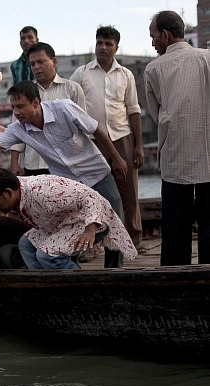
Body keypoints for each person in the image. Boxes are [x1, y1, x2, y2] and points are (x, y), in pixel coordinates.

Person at [0, 80, 129, 268]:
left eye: (20, 106)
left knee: (112, 219)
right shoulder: (19, 128)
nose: (16, 112)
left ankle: (114, 270)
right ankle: (68, 271)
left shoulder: (64, 108)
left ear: (35, 103)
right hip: (67, 184)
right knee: (66, 228)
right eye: (13, 107)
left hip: (95, 172)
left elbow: (96, 129)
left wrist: (116, 157)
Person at [0, 168, 136, 270]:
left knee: (46, 255)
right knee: (26, 244)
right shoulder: (8, 197)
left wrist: (91, 229)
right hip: (60, 224)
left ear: (8, 193)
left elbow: (90, 197)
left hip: (90, 220)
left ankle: (79, 282)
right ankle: (45, 284)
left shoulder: (43, 191)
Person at [144, 10, 210, 266]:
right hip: (208, 152)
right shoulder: (207, 58)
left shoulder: (154, 69)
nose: (152, 43)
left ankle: (174, 274)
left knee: (175, 223)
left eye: (153, 36)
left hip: (176, 153)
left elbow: (157, 113)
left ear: (166, 35)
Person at [70, 25, 144, 252]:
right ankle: (98, 242)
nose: (103, 47)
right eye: (99, 42)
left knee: (128, 190)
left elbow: (133, 109)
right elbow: (69, 104)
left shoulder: (126, 75)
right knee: (95, 192)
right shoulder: (81, 73)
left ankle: (132, 239)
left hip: (122, 137)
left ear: (116, 47)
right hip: (92, 140)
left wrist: (139, 145)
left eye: (108, 44)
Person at [11, 42, 87, 176]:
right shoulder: (24, 93)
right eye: (32, 64)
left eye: (41, 62)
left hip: (66, 163)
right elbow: (17, 129)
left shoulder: (72, 89)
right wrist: (14, 162)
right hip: (34, 164)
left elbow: (84, 127)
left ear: (54, 61)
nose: (36, 67)